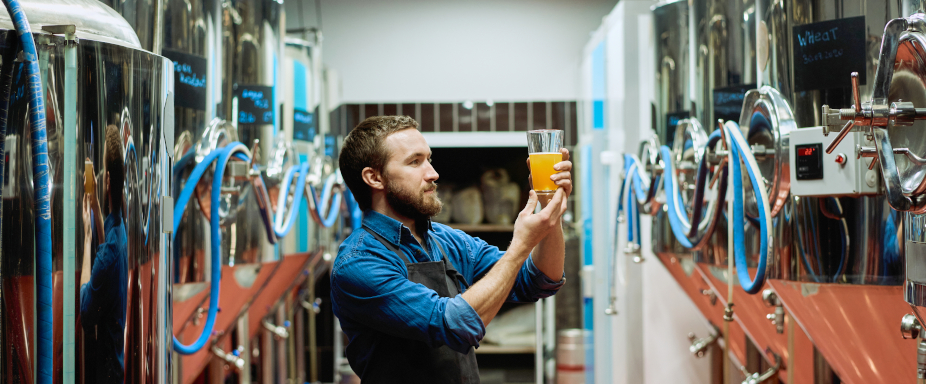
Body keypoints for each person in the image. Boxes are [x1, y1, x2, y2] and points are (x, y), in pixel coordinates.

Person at [332, 116, 571, 383]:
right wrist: (520, 246)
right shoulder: (359, 262)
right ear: (374, 178)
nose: (433, 173)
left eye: (429, 159)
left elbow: (539, 280)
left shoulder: (445, 240)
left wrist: (552, 208)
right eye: (415, 161)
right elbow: (452, 325)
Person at [80, 124, 128, 383]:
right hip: (115, 367)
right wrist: (96, 205)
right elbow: (106, 244)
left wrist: (87, 236)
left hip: (105, 374)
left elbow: (85, 310)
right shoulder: (120, 227)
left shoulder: (108, 255)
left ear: (108, 180)